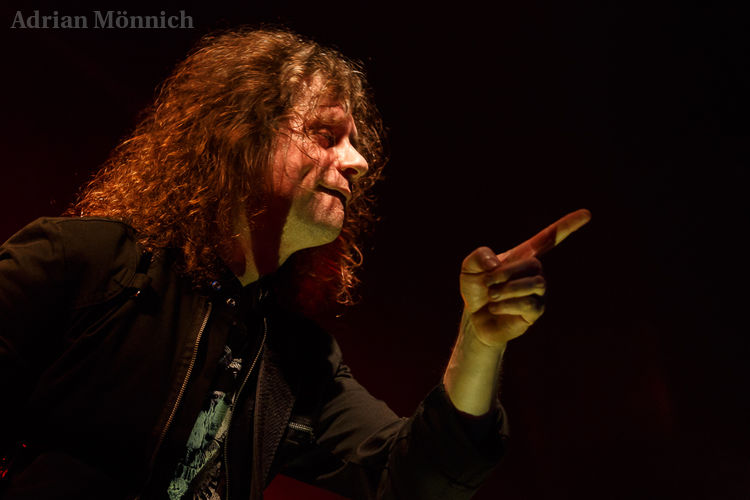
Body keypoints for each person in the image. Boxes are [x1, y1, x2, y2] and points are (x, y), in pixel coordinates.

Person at [0, 28, 590, 499]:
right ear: (241, 134)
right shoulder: (83, 262)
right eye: (327, 134)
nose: (357, 161)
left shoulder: (296, 359)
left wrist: (480, 341)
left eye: (353, 141)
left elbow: (414, 479)